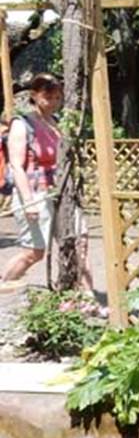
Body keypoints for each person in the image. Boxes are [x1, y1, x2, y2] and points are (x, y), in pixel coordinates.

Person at [0, 74, 65, 291]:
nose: (53, 102)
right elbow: (17, 165)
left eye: (57, 97)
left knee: (53, 246)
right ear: (34, 95)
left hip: (53, 191)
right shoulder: (23, 123)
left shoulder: (54, 123)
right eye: (48, 97)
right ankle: (5, 282)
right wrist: (29, 202)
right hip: (33, 193)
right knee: (33, 251)